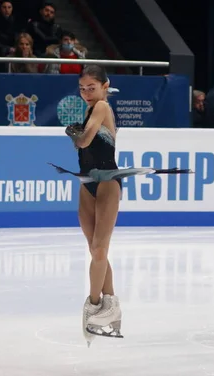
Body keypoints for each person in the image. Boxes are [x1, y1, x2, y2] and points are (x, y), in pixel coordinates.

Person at [49, 65, 192, 346]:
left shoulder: (102, 106)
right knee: (94, 249)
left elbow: (85, 140)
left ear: (105, 86)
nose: (86, 93)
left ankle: (92, 306)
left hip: (107, 183)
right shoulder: (90, 110)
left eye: (91, 87)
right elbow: (82, 144)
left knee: (100, 248)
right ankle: (111, 303)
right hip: (87, 183)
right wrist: (76, 135)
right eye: (82, 88)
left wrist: (74, 134)